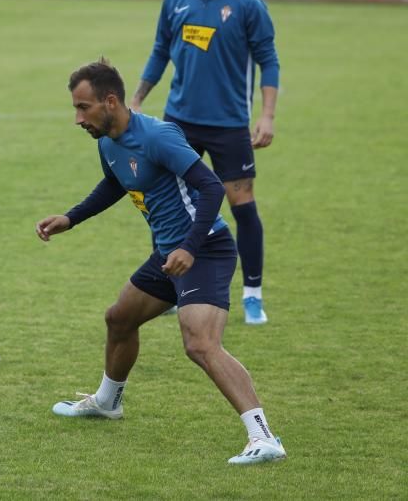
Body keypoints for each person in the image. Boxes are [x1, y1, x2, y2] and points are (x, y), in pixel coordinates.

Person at [36, 58, 286, 465]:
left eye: (84, 108)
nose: (77, 118)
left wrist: (188, 247)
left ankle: (263, 436)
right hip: (169, 256)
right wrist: (70, 218)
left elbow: (210, 188)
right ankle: (107, 402)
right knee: (119, 318)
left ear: (111, 102)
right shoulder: (107, 142)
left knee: (200, 343)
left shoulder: (158, 136)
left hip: (204, 250)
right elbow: (116, 182)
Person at [129, 0, 280, 325]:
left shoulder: (247, 4)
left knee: (242, 206)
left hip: (230, 124)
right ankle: (175, 287)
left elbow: (269, 60)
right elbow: (160, 51)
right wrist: (138, 99)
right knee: (168, 207)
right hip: (179, 122)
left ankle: (252, 294)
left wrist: (266, 115)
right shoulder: (175, 0)